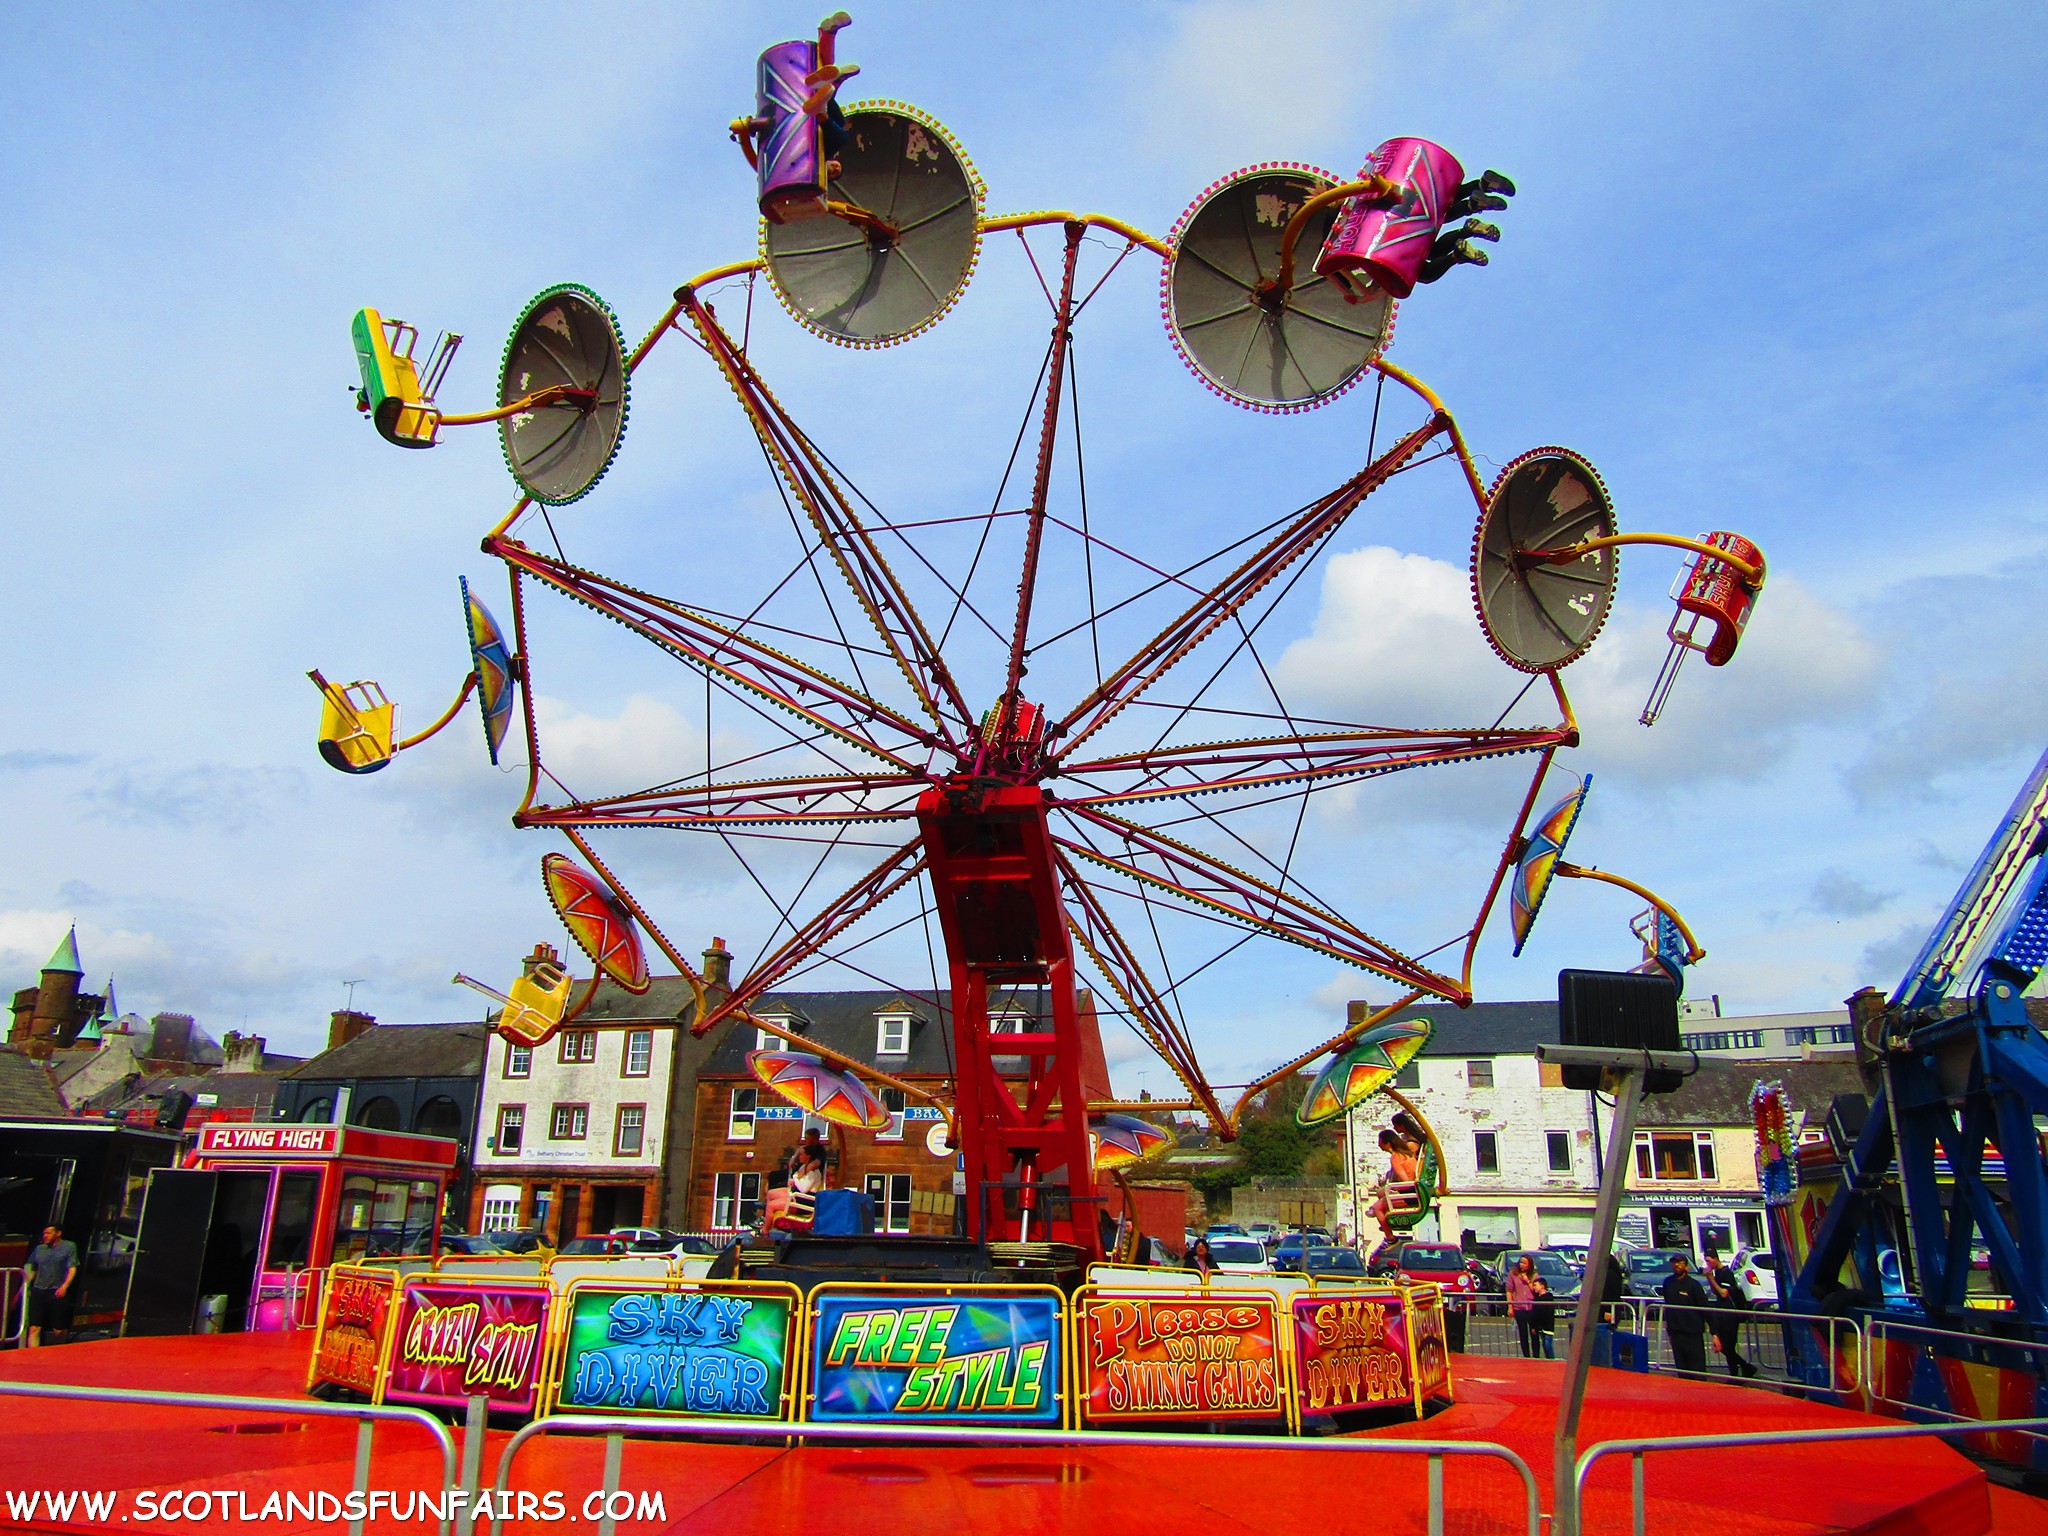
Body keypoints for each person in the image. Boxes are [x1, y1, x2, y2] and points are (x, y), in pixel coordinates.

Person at [23, 1224, 79, 1349]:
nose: (45, 1236)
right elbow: (32, 1268)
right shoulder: (39, 1249)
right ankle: (33, 1356)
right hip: (39, 1289)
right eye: (44, 1234)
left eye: (48, 1233)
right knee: (34, 1328)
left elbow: (72, 1268)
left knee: (58, 1330)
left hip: (56, 1290)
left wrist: (65, 1286)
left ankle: (60, 1349)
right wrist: (25, 1285)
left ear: (58, 1233)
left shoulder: (69, 1246)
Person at [1706, 1250, 1759, 1378]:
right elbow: (1716, 1291)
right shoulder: (1717, 1272)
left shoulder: (1726, 1273)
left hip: (1730, 1314)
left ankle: (1746, 1367)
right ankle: (1735, 1372)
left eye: (1709, 1260)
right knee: (1726, 1345)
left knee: (1727, 1346)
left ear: (1715, 1259)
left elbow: (1724, 1293)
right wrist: (1711, 1279)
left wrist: (1710, 1279)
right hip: (1722, 1312)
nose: (1707, 1263)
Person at [1656, 1255, 1712, 1375]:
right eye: (1674, 1262)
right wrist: (1669, 1330)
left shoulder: (1694, 1285)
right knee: (1682, 1370)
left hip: (1693, 1334)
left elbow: (1705, 1308)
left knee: (1697, 1370)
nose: (1676, 1265)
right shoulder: (1668, 1283)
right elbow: (1668, 1308)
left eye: (1680, 1262)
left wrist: (1715, 1333)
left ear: (1686, 1266)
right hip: (1676, 1333)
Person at [1506, 1254, 1540, 1358]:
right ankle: (1526, 1356)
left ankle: (1536, 1356)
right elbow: (1509, 1290)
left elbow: (1536, 1291)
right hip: (1519, 1308)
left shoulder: (1534, 1275)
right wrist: (1510, 1307)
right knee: (1523, 1333)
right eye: (1521, 1262)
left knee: (1534, 1333)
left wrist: (1527, 1281)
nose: (1522, 1265)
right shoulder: (1513, 1274)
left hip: (1531, 1308)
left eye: (1525, 1263)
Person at [1528, 1276, 1558, 1360]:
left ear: (1542, 1286)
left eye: (1536, 1285)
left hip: (1547, 1325)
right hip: (1540, 1326)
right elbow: (1534, 1314)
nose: (1534, 1287)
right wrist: (1533, 1326)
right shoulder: (1536, 1299)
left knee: (1548, 1344)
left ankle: (1552, 1359)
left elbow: (1546, 1312)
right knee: (1544, 1344)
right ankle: (1548, 1359)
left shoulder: (1548, 1297)